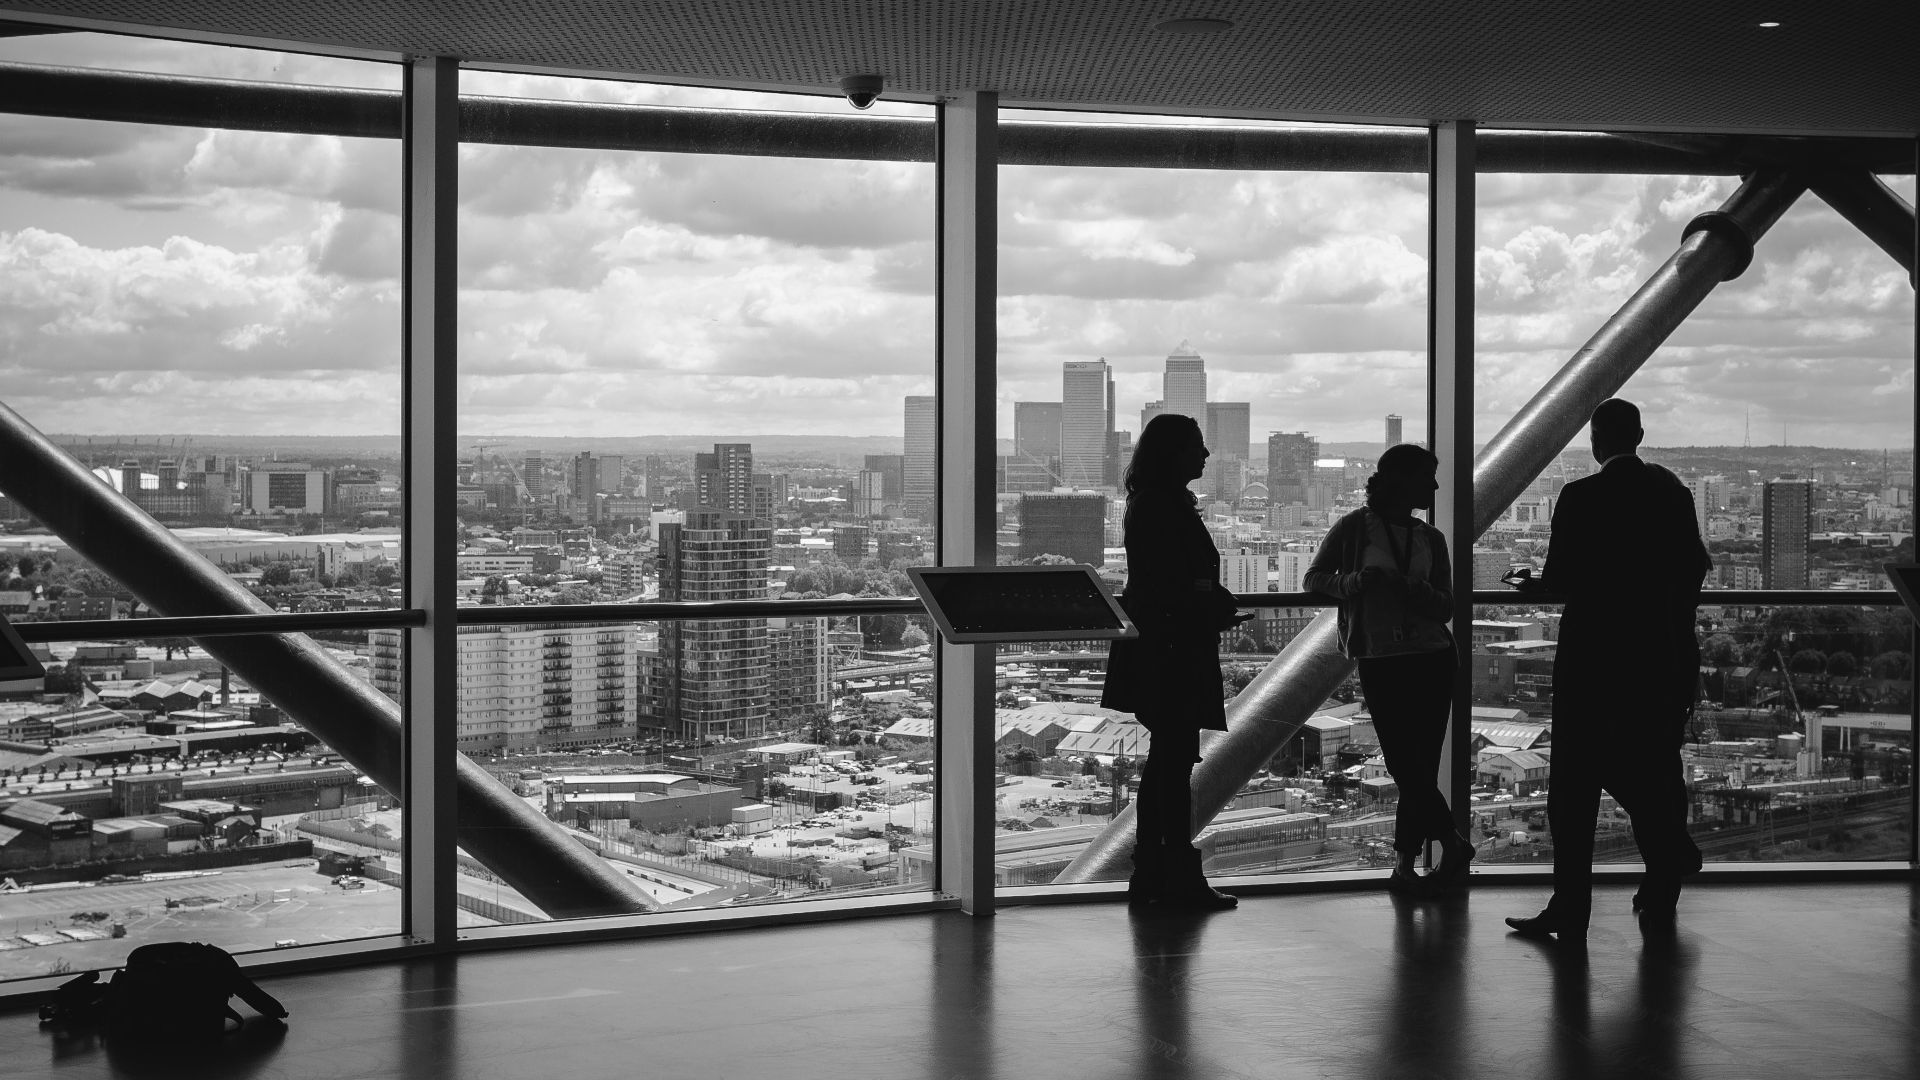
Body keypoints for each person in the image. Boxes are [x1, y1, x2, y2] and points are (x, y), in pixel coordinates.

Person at [1505, 398, 1711, 942]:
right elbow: (1694, 568)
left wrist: (1531, 586)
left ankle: (1572, 907)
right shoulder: (1673, 496)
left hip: (1594, 657)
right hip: (1661, 655)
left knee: (1574, 786)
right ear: (1639, 435)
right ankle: (1663, 880)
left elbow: (1563, 580)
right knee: (1655, 763)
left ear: (1596, 442)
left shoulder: (1581, 496)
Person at [1306, 443, 1472, 895]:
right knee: (1408, 766)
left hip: (1430, 658)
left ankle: (1405, 864)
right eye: (1427, 477)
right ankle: (1451, 843)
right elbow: (1314, 579)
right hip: (1386, 658)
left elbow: (1445, 606)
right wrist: (1356, 582)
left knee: (1414, 766)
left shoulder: (1430, 538)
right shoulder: (1355, 529)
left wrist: (1404, 586)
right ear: (1402, 481)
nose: (1435, 487)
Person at [1101, 413, 1250, 912]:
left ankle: (1154, 874)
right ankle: (1173, 875)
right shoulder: (1164, 505)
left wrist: (1207, 599)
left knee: (1167, 763)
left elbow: (1163, 579)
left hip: (1160, 645)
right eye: (1198, 447)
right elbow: (1172, 581)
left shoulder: (1150, 502)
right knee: (1172, 764)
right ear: (1174, 453)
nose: (1206, 455)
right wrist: (1211, 604)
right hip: (1173, 649)